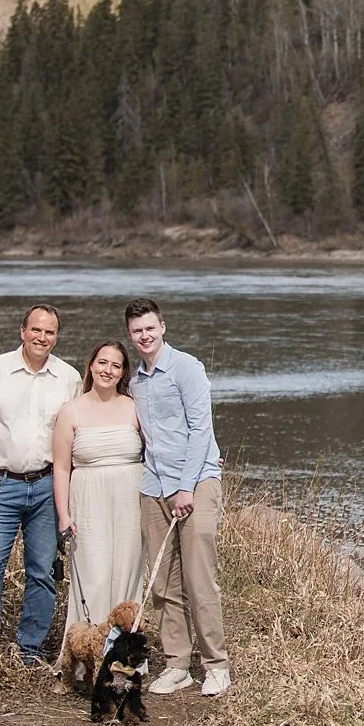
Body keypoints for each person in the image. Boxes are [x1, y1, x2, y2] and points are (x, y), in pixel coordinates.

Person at [0, 303, 79, 676]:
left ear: (56, 336)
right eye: (36, 330)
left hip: (45, 487)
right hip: (2, 486)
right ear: (22, 331)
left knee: (42, 573)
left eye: (50, 332)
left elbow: (78, 433)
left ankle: (30, 650)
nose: (42, 338)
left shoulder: (68, 378)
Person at [125, 297, 228, 696]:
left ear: (162, 327)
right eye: (137, 331)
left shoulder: (187, 368)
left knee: (200, 578)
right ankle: (177, 664)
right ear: (130, 335)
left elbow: (201, 431)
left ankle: (216, 665)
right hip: (154, 486)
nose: (144, 336)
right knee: (163, 584)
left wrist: (186, 487)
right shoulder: (136, 380)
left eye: (150, 328)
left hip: (196, 482)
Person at [52, 339, 145, 645]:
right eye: (103, 363)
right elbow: (62, 468)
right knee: (93, 575)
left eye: (116, 365)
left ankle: (123, 655)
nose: (108, 370)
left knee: (126, 576)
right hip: (88, 501)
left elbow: (159, 450)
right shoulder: (71, 411)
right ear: (91, 365)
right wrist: (64, 515)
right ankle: (83, 654)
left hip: (130, 501)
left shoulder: (134, 407)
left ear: (123, 373)